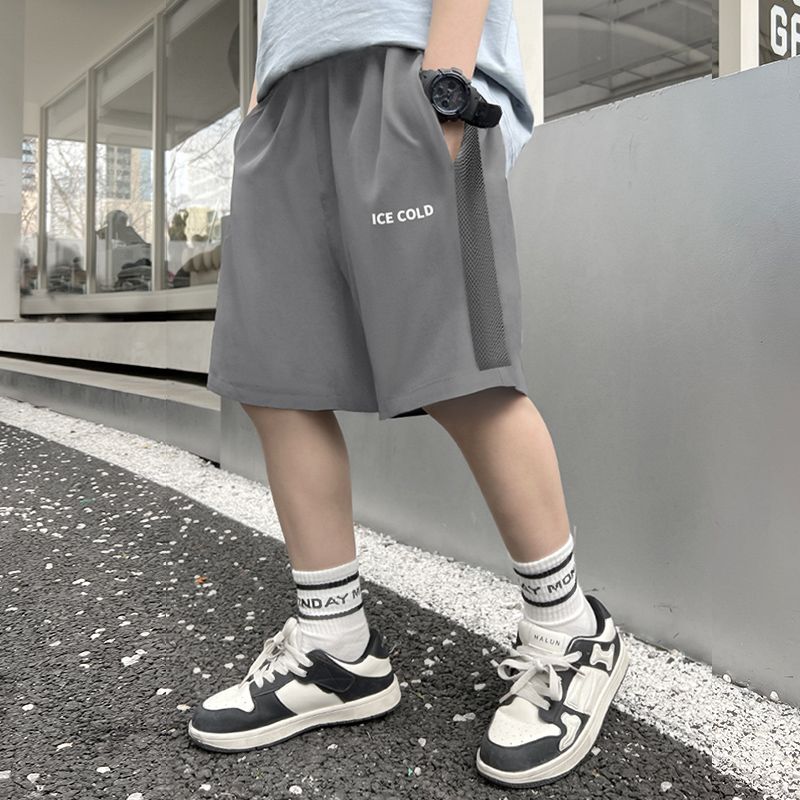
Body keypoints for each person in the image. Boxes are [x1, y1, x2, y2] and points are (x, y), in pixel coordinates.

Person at [189, 0, 630, 788]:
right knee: (275, 378)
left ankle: (570, 630)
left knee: (461, 371)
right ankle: (335, 648)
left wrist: (445, 81)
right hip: (287, 92)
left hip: (403, 64)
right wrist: (260, 95)